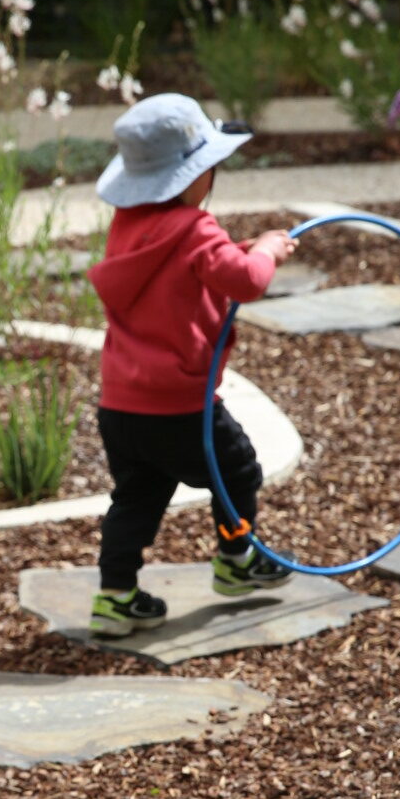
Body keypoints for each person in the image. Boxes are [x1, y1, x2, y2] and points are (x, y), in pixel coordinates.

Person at [87, 92, 298, 637]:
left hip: (121, 405)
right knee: (238, 470)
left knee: (135, 496)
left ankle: (114, 596)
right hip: (181, 406)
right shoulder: (196, 229)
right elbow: (246, 280)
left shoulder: (127, 230)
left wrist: (239, 248)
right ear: (191, 178)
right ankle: (236, 559)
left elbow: (191, 269)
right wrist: (269, 250)